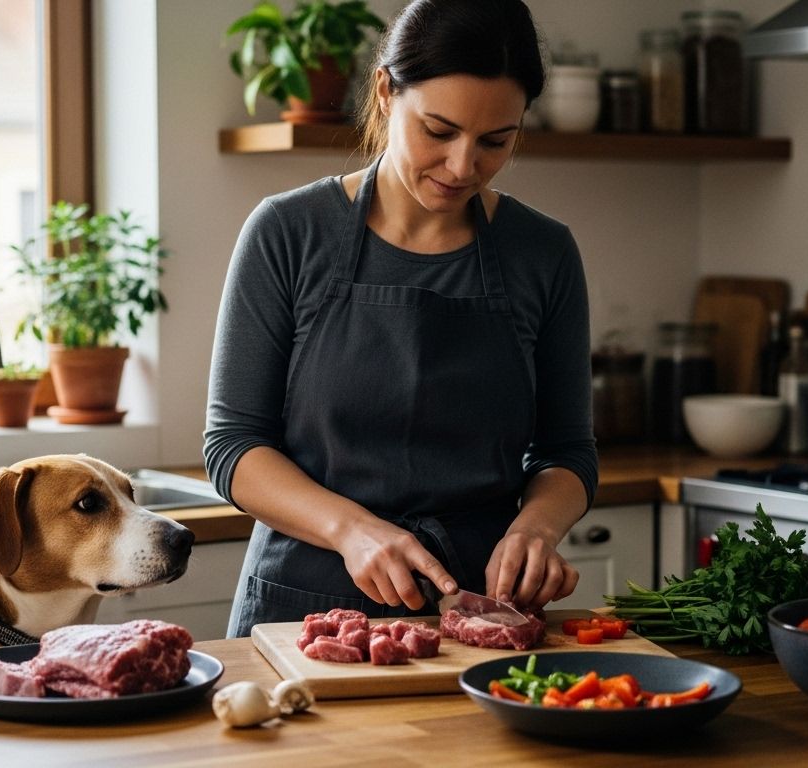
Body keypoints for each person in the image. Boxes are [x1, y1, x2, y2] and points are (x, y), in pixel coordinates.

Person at [205, 0, 597, 638]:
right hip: (307, 607)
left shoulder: (543, 252)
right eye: (438, 131)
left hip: (475, 609)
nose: (463, 165)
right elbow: (233, 447)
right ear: (386, 91)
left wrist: (536, 527)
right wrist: (351, 530)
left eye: (496, 140)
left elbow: (566, 451)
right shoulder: (287, 232)